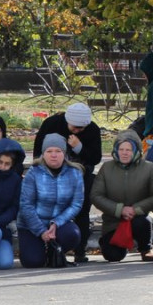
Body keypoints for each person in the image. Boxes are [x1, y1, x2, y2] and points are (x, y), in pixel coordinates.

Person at [33, 102, 102, 263]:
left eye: (80, 129)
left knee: (82, 211)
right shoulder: (52, 124)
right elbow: (38, 151)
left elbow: (95, 157)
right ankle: (49, 246)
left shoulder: (92, 129)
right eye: (74, 127)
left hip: (80, 175)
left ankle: (80, 250)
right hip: (51, 174)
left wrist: (79, 147)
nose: (77, 131)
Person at [91, 130, 153, 262]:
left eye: (128, 150)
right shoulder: (106, 168)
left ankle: (146, 248)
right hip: (114, 220)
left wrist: (135, 209)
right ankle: (112, 243)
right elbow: (96, 195)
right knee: (112, 256)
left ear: (136, 150)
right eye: (121, 149)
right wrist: (119, 210)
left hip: (141, 216)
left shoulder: (149, 168)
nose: (124, 153)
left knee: (143, 222)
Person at [17, 134, 84, 268]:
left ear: (64, 153)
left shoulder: (75, 173)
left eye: (58, 151)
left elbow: (76, 204)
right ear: (43, 154)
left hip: (58, 224)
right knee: (33, 262)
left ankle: (53, 252)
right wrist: (41, 231)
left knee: (73, 234)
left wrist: (56, 223)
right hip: (32, 225)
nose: (54, 155)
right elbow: (26, 205)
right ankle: (39, 250)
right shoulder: (33, 173)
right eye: (49, 151)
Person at [0, 138, 25, 270]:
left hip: (1, 228)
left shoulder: (15, 180)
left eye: (7, 164)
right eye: (0, 162)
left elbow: (15, 207)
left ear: (12, 165)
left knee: (5, 263)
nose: (3, 166)